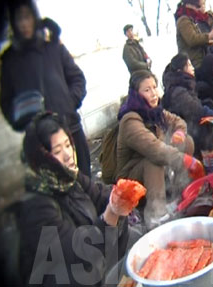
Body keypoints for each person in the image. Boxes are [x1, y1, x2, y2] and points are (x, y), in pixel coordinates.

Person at [18, 112, 133, 286]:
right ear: (41, 159)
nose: (68, 154)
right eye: (57, 151)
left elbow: (100, 196)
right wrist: (110, 214)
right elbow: (77, 255)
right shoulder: (36, 207)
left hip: (93, 262)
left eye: (67, 145)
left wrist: (122, 194)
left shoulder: (70, 177)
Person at [0, 1, 91, 177]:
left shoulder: (53, 47)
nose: (24, 24)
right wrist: (25, 123)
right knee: (58, 193)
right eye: (19, 19)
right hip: (41, 143)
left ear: (34, 18)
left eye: (27, 17)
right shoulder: (10, 61)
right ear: (13, 23)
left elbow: (77, 79)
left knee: (85, 180)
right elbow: (6, 102)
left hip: (71, 129)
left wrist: (69, 102)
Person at [115, 70, 204, 230]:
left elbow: (178, 121)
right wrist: (185, 160)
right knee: (153, 160)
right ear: (136, 94)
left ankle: (178, 192)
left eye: (154, 87)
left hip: (154, 173)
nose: (154, 94)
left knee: (187, 142)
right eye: (147, 90)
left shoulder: (156, 112)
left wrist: (179, 132)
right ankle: (156, 214)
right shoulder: (130, 120)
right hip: (132, 179)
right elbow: (154, 149)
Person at [162, 52, 213, 158]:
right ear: (180, 70)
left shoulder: (185, 85)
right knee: (206, 117)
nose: (193, 68)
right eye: (189, 65)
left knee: (208, 105)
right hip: (185, 131)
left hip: (190, 124)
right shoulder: (177, 91)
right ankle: (211, 155)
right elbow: (195, 111)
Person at [174, 0, 213, 69]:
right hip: (193, 63)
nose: (198, 9)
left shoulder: (190, 20)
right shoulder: (184, 20)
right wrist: (209, 36)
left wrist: (209, 40)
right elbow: (192, 39)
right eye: (197, 6)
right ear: (189, 5)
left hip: (197, 60)